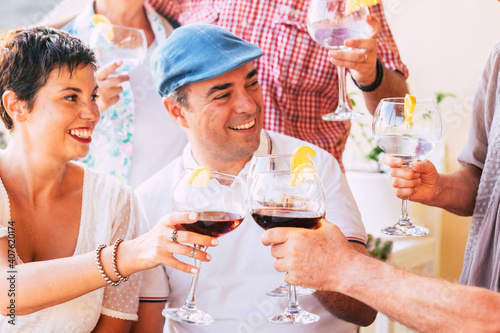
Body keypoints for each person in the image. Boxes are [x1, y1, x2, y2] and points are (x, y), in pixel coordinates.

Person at [133, 23, 376, 333]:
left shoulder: (313, 167)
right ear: (177, 112)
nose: (248, 105)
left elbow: (364, 310)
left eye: (252, 83)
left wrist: (320, 266)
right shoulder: (151, 200)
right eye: (222, 96)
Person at [259, 38, 500, 332]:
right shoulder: (498, 60)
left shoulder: (322, 167)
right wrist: (442, 190)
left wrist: (344, 268)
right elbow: (485, 180)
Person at [0, 26, 216, 331]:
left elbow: (116, 326)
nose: (92, 112)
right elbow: (7, 292)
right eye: (71, 97)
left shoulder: (115, 200)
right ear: (17, 106)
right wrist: (127, 255)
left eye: (93, 96)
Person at [146, 0, 409, 170]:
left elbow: (397, 115)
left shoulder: (348, 3)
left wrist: (369, 73)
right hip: (215, 191)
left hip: (301, 186)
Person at [64, 0, 187, 188]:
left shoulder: (179, 34)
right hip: (97, 208)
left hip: (170, 204)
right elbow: (43, 144)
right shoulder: (59, 49)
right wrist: (86, 106)